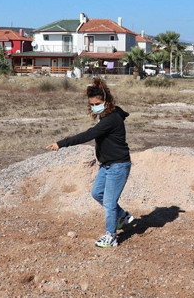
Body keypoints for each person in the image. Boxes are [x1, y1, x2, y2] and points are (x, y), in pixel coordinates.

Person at [47, 78, 133, 248]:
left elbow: (87, 135)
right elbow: (122, 113)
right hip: (107, 165)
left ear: (106, 101)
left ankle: (111, 237)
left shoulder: (110, 119)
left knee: (109, 203)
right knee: (97, 193)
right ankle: (122, 216)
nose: (94, 106)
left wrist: (61, 143)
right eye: (92, 104)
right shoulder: (111, 114)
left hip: (118, 166)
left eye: (97, 103)